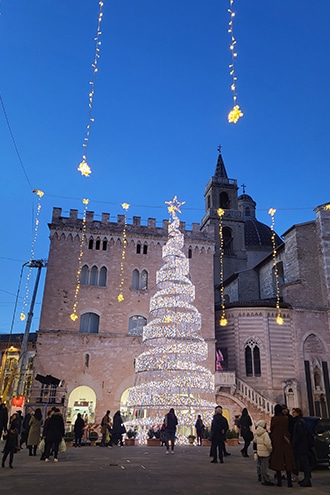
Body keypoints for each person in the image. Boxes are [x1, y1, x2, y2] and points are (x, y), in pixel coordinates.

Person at [269, 404, 295, 487]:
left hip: (277, 440)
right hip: (285, 440)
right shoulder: (285, 419)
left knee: (278, 461)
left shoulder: (274, 419)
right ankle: (289, 482)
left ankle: (279, 482)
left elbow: (272, 428)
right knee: (287, 460)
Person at [291, 407, 312, 487]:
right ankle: (306, 479)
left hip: (301, 446)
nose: (293, 414)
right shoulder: (299, 421)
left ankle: (307, 479)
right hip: (302, 445)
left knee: (305, 463)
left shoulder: (299, 422)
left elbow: (299, 435)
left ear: (298, 413)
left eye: (294, 412)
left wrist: (294, 443)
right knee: (303, 462)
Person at [253, 420, 274, 486]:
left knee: (260, 465)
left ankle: (261, 477)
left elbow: (255, 441)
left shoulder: (256, 433)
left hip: (259, 451)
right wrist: (270, 450)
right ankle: (265, 480)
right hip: (265, 452)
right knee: (264, 467)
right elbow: (268, 443)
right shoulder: (265, 433)